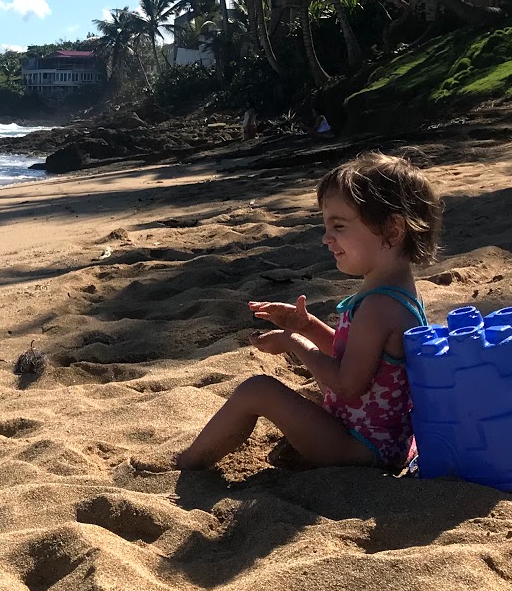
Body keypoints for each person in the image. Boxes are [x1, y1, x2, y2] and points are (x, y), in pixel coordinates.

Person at [173, 152, 442, 472]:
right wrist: (308, 326)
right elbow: (360, 358)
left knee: (257, 391)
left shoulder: (380, 307)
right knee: (269, 394)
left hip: (363, 447)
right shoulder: (393, 293)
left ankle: (187, 463)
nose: (326, 238)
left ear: (392, 231)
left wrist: (293, 343)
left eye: (339, 226)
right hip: (382, 439)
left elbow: (346, 384)